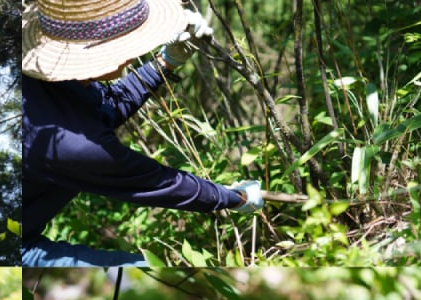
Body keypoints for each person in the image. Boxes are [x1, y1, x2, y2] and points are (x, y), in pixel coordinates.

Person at [22, 0, 264, 267]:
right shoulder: (72, 146)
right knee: (145, 272)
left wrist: (165, 62)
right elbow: (161, 183)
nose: (133, 53)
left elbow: (103, 108)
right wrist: (236, 198)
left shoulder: (43, 80)